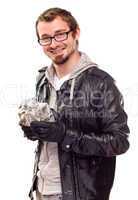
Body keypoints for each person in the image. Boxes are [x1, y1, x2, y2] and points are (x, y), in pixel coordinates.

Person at [20, 7, 130, 200]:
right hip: (41, 189)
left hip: (79, 195)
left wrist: (65, 135)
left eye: (60, 35)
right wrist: (35, 131)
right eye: (45, 38)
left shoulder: (100, 83)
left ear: (76, 32)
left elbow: (119, 142)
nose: (53, 44)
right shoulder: (42, 80)